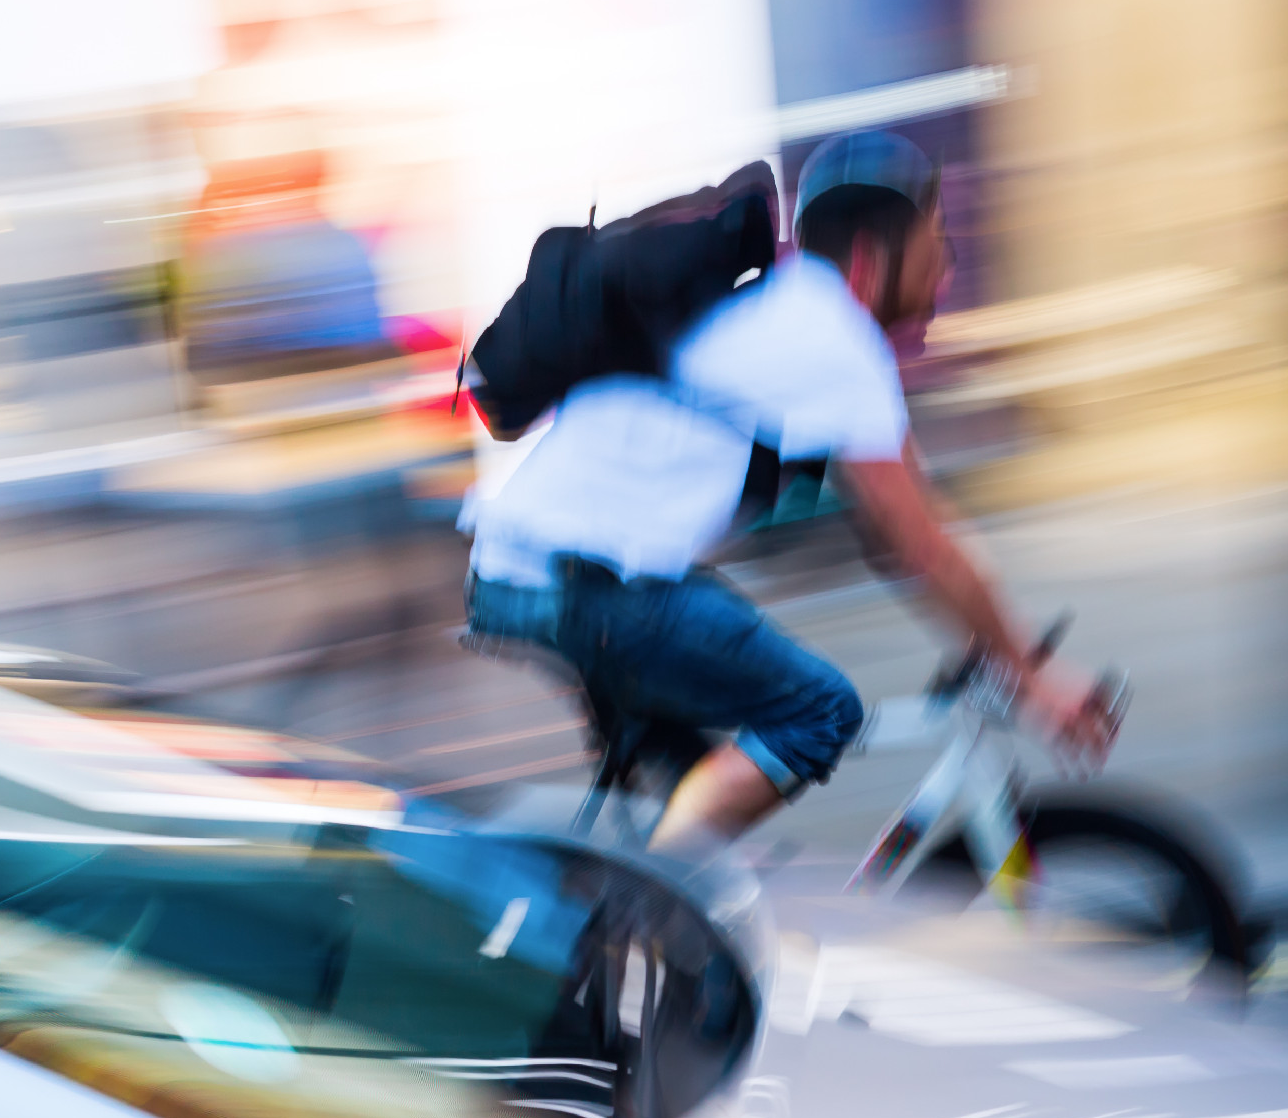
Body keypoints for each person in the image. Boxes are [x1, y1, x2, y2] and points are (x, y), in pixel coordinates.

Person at [462, 130, 1110, 851]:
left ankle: (660, 923)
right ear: (873, 255)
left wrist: (1016, 655)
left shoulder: (792, 314)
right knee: (818, 712)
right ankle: (647, 915)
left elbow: (916, 531)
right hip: (592, 586)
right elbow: (925, 547)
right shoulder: (834, 339)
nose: (948, 273)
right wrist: (1033, 682)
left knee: (713, 810)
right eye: (938, 242)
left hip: (531, 571)